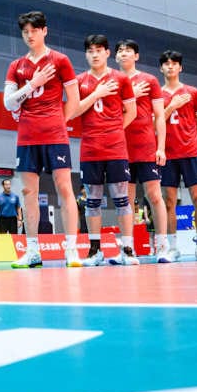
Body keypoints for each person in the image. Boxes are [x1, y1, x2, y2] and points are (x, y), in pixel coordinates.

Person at [4, 11, 81, 269]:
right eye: (25, 31)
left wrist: (59, 123)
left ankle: (71, 250)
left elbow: (74, 98)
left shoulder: (60, 60)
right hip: (27, 136)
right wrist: (32, 83)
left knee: (64, 188)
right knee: (28, 192)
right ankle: (33, 250)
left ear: (44, 31)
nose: (29, 35)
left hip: (55, 135)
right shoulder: (16, 66)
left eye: (34, 30)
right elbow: (7, 102)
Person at [72, 34, 138, 267]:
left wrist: (114, 130)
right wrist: (97, 94)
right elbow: (73, 111)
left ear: (108, 53)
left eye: (99, 50)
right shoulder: (79, 80)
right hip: (90, 148)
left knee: (122, 199)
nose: (95, 54)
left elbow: (132, 111)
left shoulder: (121, 79)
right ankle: (94, 250)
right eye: (90, 51)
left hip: (115, 148)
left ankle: (128, 250)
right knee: (92, 201)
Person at [115, 39, 171, 263]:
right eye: (120, 51)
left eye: (128, 50)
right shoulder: (112, 81)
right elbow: (110, 113)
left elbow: (160, 116)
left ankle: (162, 246)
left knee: (155, 196)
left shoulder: (149, 80)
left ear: (136, 56)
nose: (124, 54)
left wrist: (161, 147)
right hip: (121, 148)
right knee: (125, 200)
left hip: (146, 147)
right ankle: (127, 249)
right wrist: (130, 95)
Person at [159, 50, 197, 262]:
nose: (170, 67)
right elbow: (156, 122)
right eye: (166, 64)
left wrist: (191, 141)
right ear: (161, 68)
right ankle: (173, 248)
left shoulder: (194, 92)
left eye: (174, 64)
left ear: (180, 68)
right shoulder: (157, 94)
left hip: (191, 153)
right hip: (166, 155)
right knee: (169, 201)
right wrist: (172, 105)